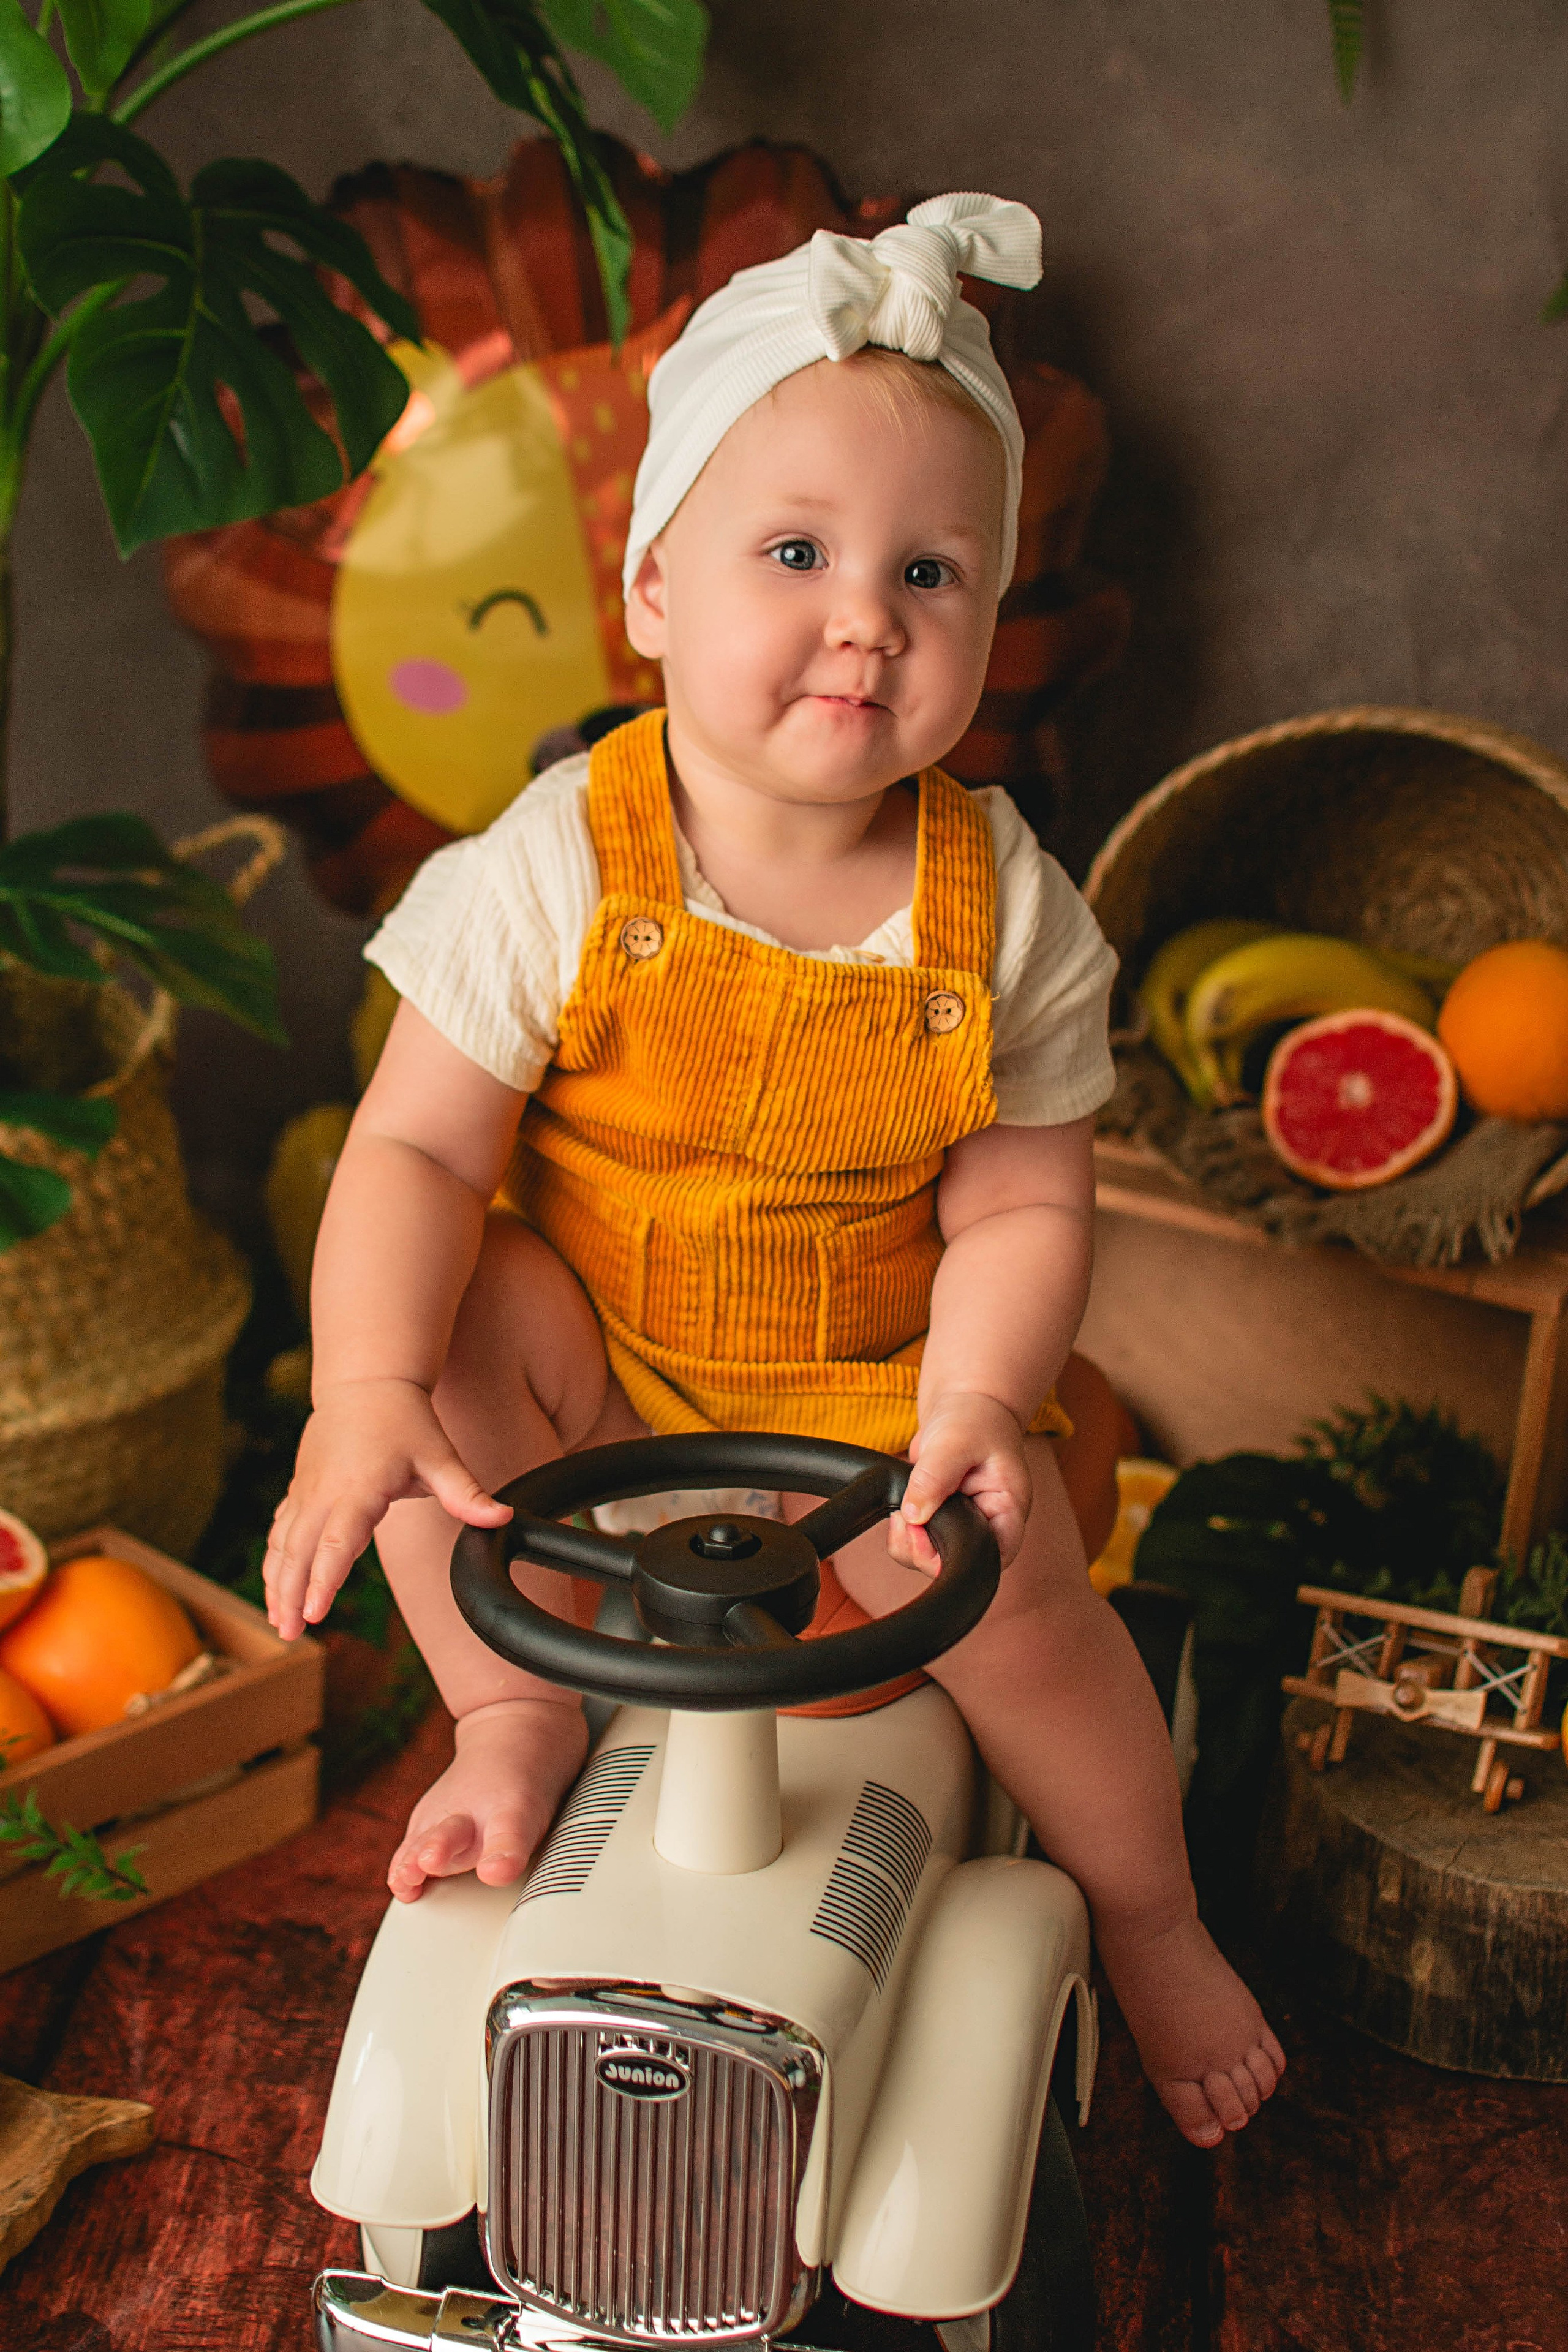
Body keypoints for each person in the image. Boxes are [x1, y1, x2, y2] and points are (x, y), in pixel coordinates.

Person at [264, 194, 1284, 2149]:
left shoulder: (1010, 915)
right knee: (439, 1339)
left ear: (989, 626)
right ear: (653, 586)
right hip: (594, 1381)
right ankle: (513, 1712)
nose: (864, 618)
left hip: (869, 1399)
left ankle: (1149, 1918)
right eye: (797, 552)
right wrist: (371, 1393)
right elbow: (409, 1144)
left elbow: (1019, 1203)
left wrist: (979, 1400)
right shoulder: (556, 860)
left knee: (1034, 1618)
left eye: (932, 573)